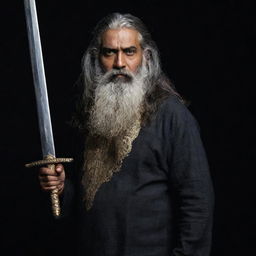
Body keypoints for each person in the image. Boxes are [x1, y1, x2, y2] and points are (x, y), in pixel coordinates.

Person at [38, 13, 214, 256]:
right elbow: (85, 201)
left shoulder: (172, 115)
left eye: (129, 51)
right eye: (109, 52)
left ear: (146, 57)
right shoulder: (94, 114)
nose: (119, 62)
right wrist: (60, 189)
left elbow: (198, 203)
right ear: (96, 58)